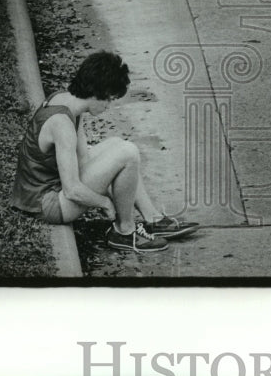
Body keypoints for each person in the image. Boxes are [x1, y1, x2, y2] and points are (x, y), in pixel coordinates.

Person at [11, 50, 198, 252]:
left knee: (117, 145)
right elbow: (72, 190)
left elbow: (83, 159)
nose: (109, 106)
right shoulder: (62, 124)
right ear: (96, 92)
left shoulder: (67, 101)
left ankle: (153, 218)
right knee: (127, 153)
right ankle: (124, 231)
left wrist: (113, 177)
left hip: (46, 189)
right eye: (108, 99)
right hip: (46, 204)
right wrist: (105, 203)